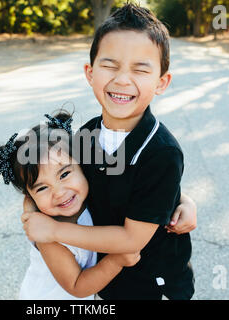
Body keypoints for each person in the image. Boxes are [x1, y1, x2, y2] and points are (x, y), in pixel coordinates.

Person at [21, 3, 197, 300]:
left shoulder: (161, 153)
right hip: (104, 277)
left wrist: (52, 231)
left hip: (151, 282)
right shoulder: (85, 136)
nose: (122, 79)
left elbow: (131, 239)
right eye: (110, 65)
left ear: (161, 82)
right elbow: (46, 178)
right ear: (90, 73)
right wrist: (29, 210)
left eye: (141, 69)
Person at [0, 111, 142, 299]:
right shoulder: (46, 235)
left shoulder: (89, 193)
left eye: (64, 174)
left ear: (83, 166)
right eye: (42, 188)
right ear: (30, 195)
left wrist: (183, 202)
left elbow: (142, 189)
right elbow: (77, 286)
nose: (59, 193)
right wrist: (117, 260)